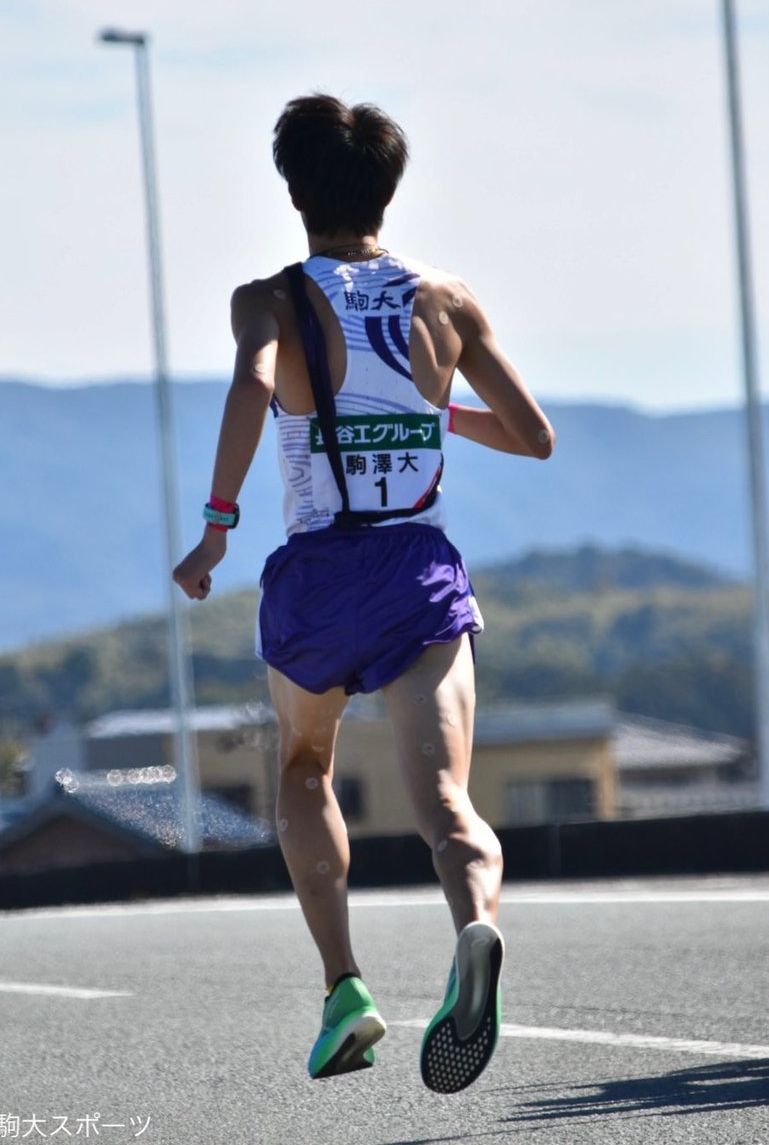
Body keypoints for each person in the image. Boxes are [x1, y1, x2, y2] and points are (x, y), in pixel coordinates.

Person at [173, 93, 555, 1093]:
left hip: (317, 577)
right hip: (416, 571)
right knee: (446, 801)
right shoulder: (445, 299)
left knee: (305, 768)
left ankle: (344, 986)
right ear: (389, 187)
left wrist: (216, 524)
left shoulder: (267, 298)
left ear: (293, 191)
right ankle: (474, 926)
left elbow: (254, 386)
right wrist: (432, 413)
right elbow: (533, 436)